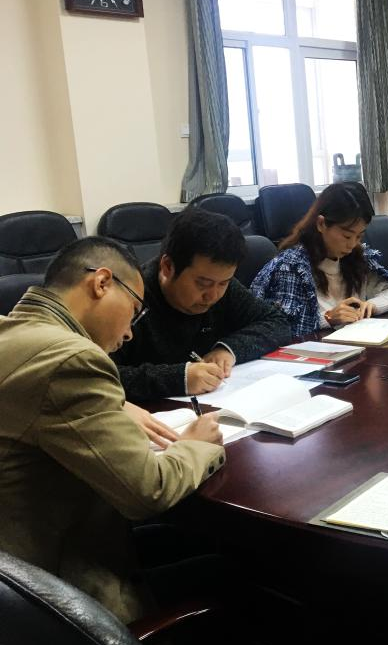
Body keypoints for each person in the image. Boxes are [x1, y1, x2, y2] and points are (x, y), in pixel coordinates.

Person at [0, 237, 225, 624]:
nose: (130, 333)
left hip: (16, 576)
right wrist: (196, 445)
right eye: (134, 311)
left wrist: (116, 404)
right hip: (57, 598)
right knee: (236, 573)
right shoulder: (72, 359)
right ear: (102, 283)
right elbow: (149, 491)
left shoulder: (13, 332)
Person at [113, 208, 291, 400]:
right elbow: (99, 376)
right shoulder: (130, 299)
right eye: (202, 284)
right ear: (168, 267)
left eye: (223, 283)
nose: (213, 296)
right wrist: (179, 378)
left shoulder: (221, 285)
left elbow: (277, 323)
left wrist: (228, 349)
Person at [251, 181, 388, 337]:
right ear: (321, 223)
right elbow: (282, 326)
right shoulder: (291, 267)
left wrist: (372, 305)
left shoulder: (357, 257)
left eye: (359, 236)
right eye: (347, 236)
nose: (352, 244)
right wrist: (328, 318)